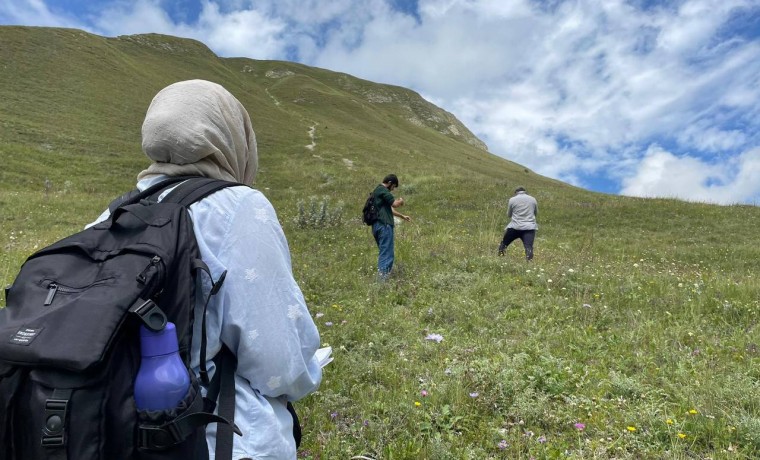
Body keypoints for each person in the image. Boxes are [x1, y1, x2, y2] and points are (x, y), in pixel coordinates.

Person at [88, 80, 323, 459]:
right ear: (232, 136)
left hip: (109, 432)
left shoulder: (112, 214)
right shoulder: (239, 206)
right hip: (214, 438)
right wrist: (310, 372)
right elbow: (280, 364)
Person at [371, 174, 411, 279]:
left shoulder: (376, 192)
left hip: (376, 226)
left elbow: (390, 209)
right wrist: (401, 201)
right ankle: (381, 283)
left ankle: (381, 278)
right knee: (387, 254)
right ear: (389, 183)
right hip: (384, 226)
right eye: (393, 186)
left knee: (384, 252)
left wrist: (402, 216)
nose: (392, 189)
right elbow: (395, 204)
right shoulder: (383, 190)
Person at [498, 186, 538, 261]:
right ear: (525, 192)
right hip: (529, 228)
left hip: (515, 227)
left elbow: (509, 215)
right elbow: (535, 213)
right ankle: (529, 264)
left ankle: (500, 259)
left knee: (504, 244)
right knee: (528, 247)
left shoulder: (512, 200)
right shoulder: (533, 199)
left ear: (516, 192)